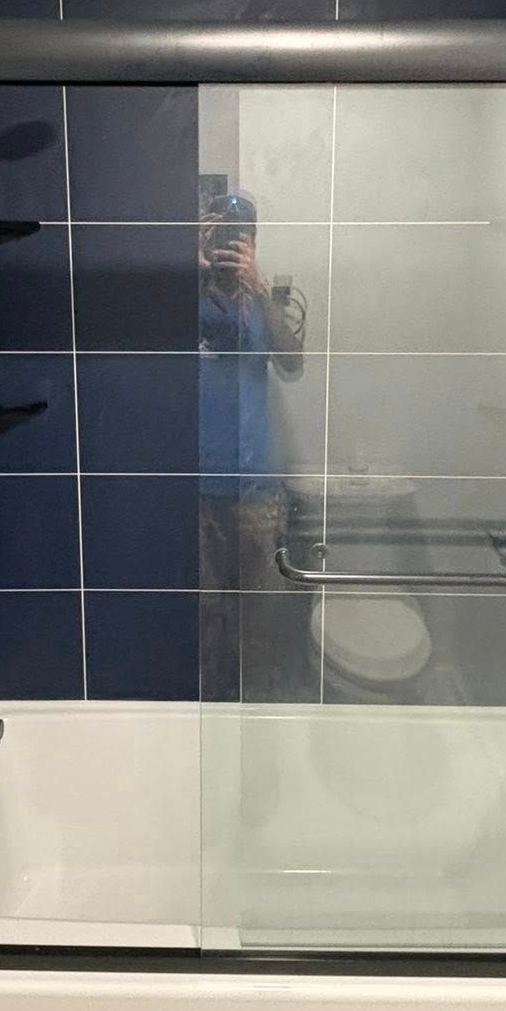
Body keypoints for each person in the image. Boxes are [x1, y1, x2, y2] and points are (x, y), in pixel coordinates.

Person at [197, 193, 306, 698]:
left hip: (258, 491)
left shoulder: (268, 298)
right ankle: (211, 719)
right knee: (204, 619)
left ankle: (254, 719)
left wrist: (261, 291)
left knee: (259, 622)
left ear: (255, 241)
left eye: (240, 235)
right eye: (221, 232)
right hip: (195, 491)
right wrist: (187, 271)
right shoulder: (187, 294)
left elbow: (292, 365)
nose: (228, 246)